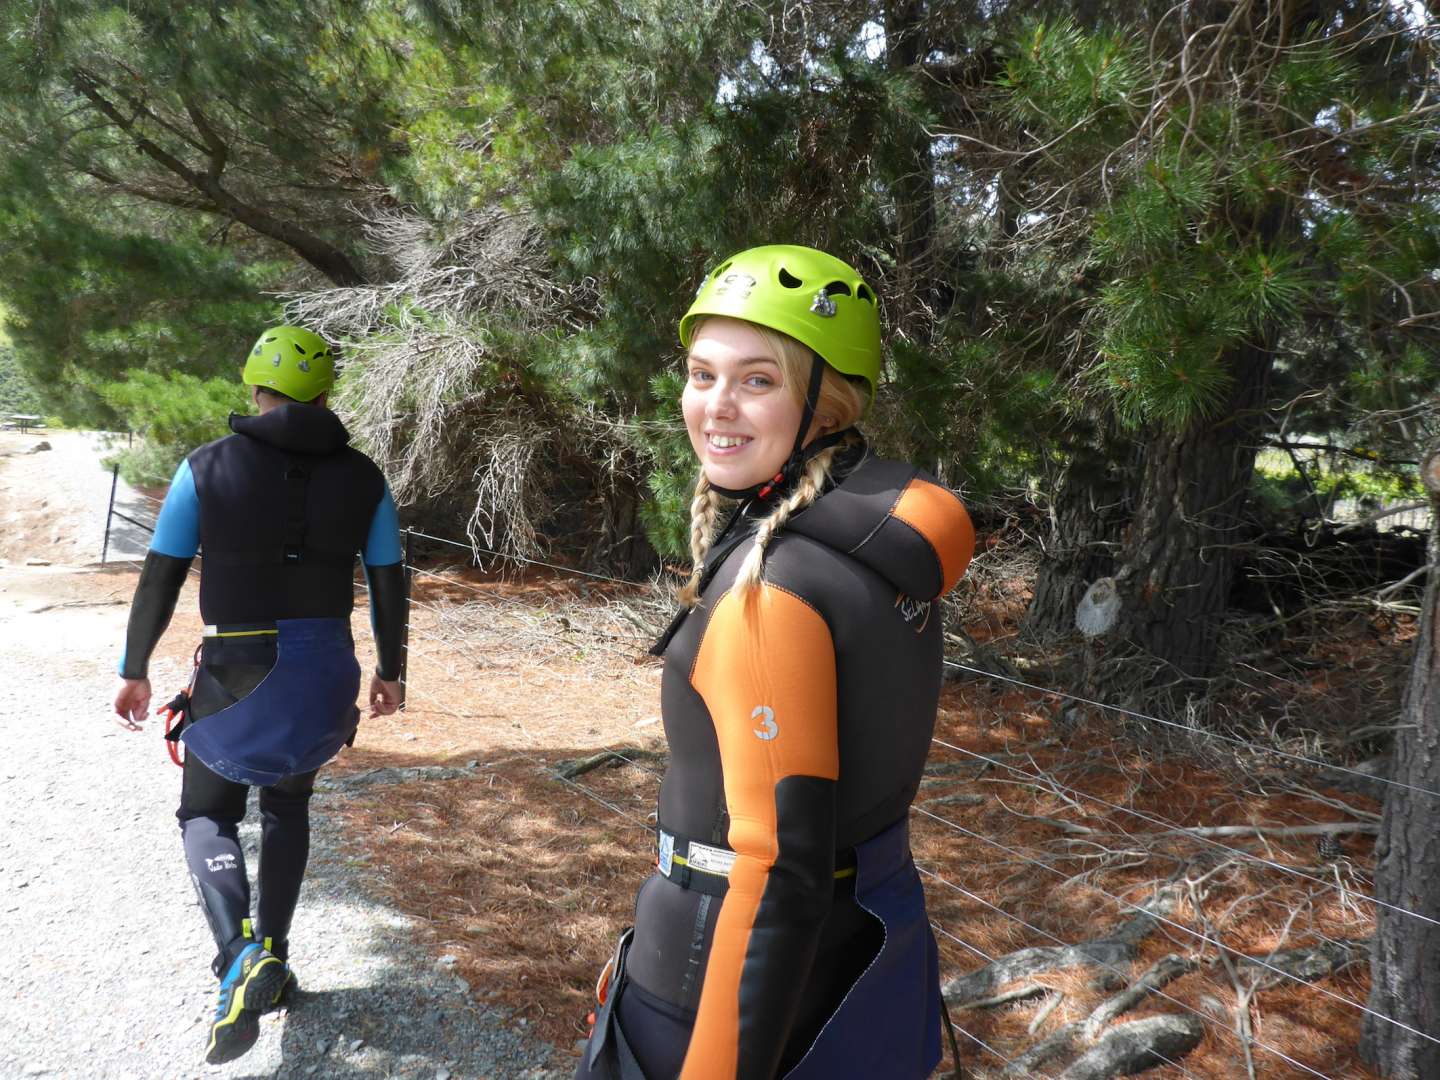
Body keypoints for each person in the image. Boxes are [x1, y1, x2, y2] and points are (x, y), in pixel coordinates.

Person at [577, 245, 975, 1079]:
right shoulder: (883, 547)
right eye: (701, 374)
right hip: (869, 950)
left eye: (758, 380)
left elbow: (774, 869)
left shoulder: (774, 586)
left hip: (724, 978)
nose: (715, 407)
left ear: (822, 406)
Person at [111, 326, 408, 1065]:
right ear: (326, 395)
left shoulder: (206, 467)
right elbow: (387, 579)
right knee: (287, 803)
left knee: (206, 812)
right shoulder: (365, 477)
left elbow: (162, 573)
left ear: (254, 387)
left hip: (241, 663)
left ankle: (241, 954)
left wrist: (134, 666)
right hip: (327, 664)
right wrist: (391, 670)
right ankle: (276, 948)